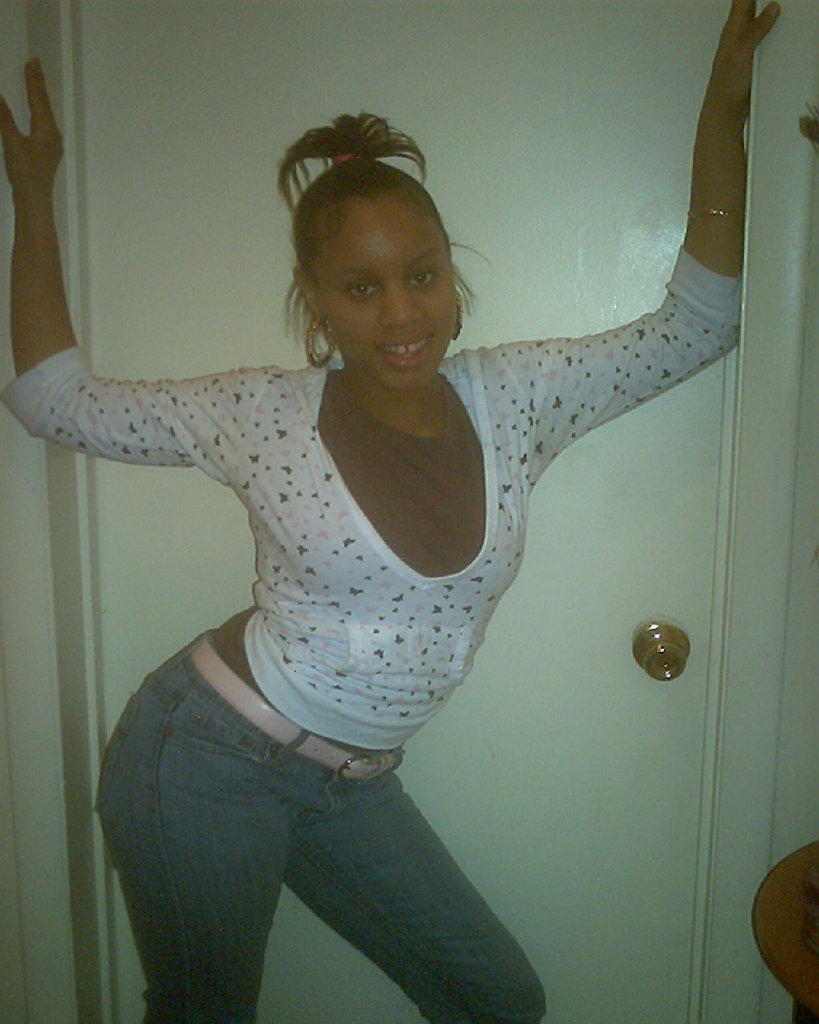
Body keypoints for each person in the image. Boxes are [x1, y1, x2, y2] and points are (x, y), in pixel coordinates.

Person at [0, 2, 780, 1022]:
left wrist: (724, 109)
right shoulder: (256, 413)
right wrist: (32, 194)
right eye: (361, 289)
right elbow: (55, 401)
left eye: (421, 276)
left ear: (450, 269)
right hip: (203, 758)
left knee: (495, 998)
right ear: (316, 300)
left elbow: (698, 325)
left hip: (351, 784)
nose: (403, 313)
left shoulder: (518, 396)